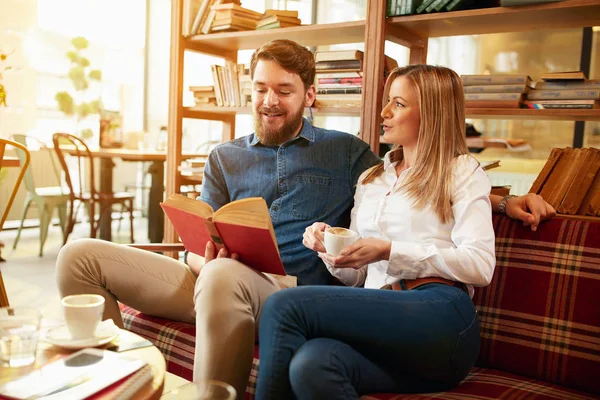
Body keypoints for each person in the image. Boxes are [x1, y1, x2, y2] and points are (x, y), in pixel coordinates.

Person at [56, 40, 554, 399]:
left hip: (292, 291)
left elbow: (433, 187)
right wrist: (202, 256)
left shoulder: (348, 155)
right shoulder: (231, 158)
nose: (269, 100)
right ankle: (113, 387)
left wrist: (503, 200)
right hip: (216, 280)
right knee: (79, 255)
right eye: (260, 88)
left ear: (309, 95)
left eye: (284, 90)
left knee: (239, 283)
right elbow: (363, 246)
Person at [255, 65, 499, 399]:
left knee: (285, 306)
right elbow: (358, 278)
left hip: (441, 316)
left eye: (398, 104)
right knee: (313, 364)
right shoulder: (372, 179)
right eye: (388, 102)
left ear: (431, 112)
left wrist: (389, 249)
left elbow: (480, 265)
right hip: (385, 320)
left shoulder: (461, 172)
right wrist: (331, 251)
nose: (384, 112)